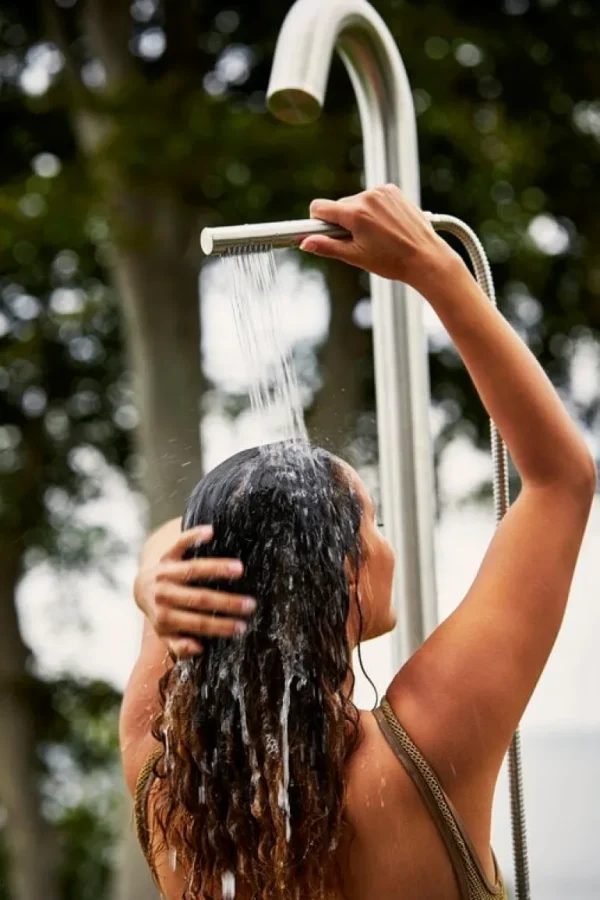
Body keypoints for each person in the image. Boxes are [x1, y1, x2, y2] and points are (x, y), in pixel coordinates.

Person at [119, 186, 596, 900]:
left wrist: (150, 583)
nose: (387, 541)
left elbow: (177, 542)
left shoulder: (167, 779)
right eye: (371, 521)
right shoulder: (428, 746)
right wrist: (434, 267)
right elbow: (562, 478)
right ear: (338, 572)